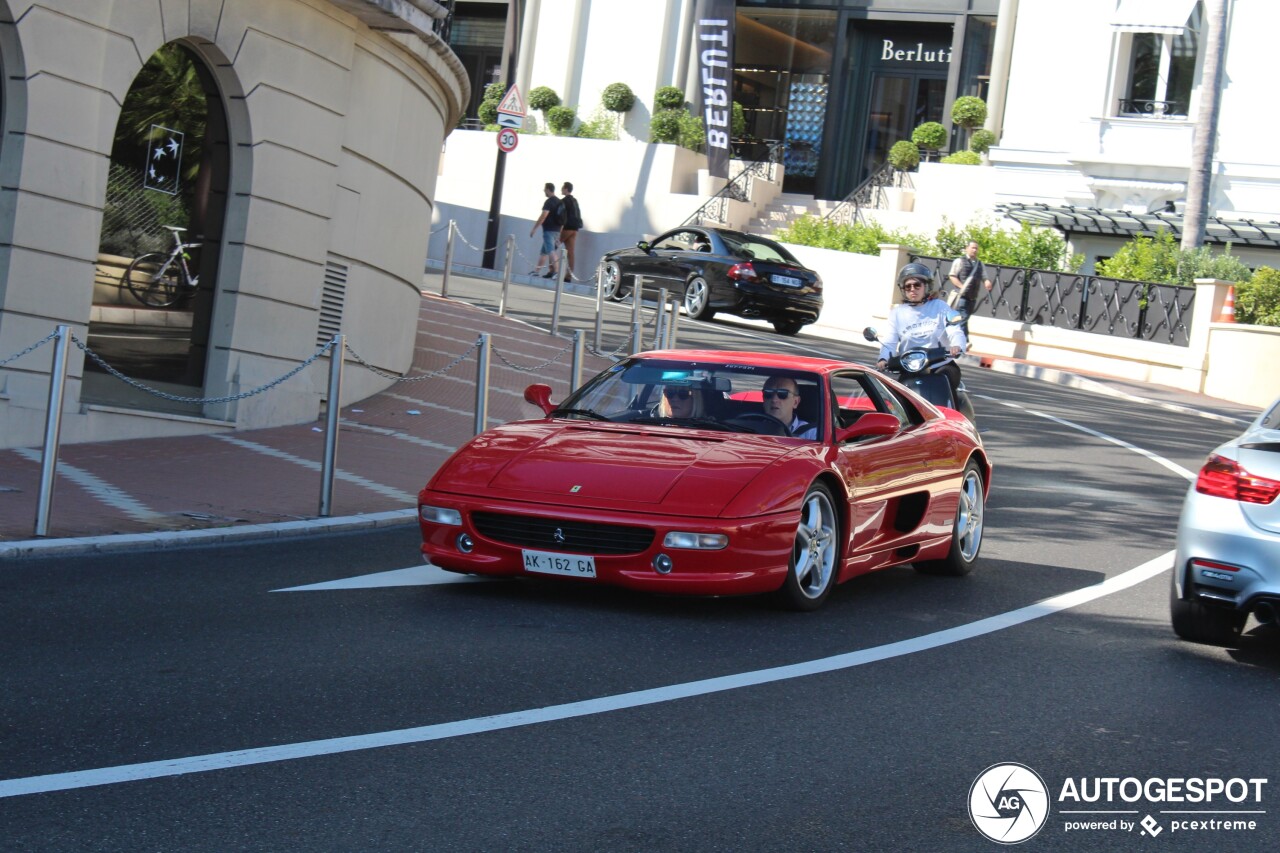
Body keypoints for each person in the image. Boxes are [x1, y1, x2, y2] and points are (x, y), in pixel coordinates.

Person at [876, 262, 967, 401]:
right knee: (898, 399)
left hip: (940, 365)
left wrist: (957, 346)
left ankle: (953, 419)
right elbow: (890, 340)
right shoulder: (897, 313)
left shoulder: (940, 307)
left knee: (943, 384)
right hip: (910, 367)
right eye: (908, 286)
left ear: (926, 286)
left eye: (917, 285)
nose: (912, 289)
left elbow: (954, 330)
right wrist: (883, 358)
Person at [947, 240, 993, 340]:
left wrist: (987, 281)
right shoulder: (959, 261)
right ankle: (964, 341)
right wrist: (961, 287)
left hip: (972, 297)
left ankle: (954, 338)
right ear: (967, 248)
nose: (975, 250)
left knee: (965, 318)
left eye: (976, 248)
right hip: (961, 296)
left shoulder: (980, 264)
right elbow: (952, 275)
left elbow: (984, 276)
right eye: (973, 248)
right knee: (963, 317)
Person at [530, 182, 564, 278]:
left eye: (545, 189)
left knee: (551, 251)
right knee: (544, 252)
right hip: (557, 230)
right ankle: (537, 271)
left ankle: (556, 272)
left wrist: (534, 228)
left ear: (548, 189)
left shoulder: (549, 202)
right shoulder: (560, 202)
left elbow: (543, 215)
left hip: (548, 231)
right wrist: (560, 233)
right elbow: (563, 220)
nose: (544, 191)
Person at [559, 182, 583, 278]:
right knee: (571, 252)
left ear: (566, 189)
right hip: (575, 228)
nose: (561, 189)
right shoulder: (575, 200)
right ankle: (568, 276)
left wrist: (560, 229)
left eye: (562, 188)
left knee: (552, 247)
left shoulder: (563, 201)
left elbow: (561, 216)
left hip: (567, 228)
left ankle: (552, 270)